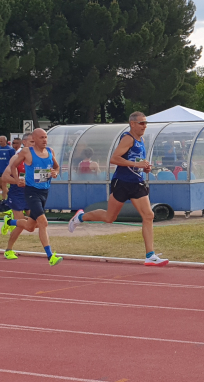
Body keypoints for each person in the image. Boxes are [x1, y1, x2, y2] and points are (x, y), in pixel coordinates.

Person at [68, 111, 168, 266]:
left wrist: (144, 167)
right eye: (141, 123)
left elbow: (135, 160)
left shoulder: (141, 140)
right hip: (121, 182)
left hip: (136, 182)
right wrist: (136, 164)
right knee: (110, 217)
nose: (144, 126)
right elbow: (114, 159)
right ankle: (80, 217)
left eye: (146, 123)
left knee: (148, 215)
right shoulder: (128, 138)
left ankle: (150, 255)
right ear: (132, 124)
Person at [1, 128, 62, 266]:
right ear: (33, 140)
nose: (44, 140)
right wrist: (17, 180)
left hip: (44, 192)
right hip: (31, 192)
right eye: (41, 137)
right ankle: (50, 256)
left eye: (46, 137)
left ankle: (9, 222)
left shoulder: (50, 152)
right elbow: (13, 167)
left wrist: (55, 173)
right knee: (43, 222)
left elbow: (57, 167)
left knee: (30, 226)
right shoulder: (26, 152)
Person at [0, 133, 31, 260]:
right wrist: (17, 181)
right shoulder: (16, 158)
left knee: (33, 224)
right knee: (22, 224)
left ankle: (8, 221)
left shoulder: (37, 158)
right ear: (24, 142)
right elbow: (4, 177)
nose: (35, 144)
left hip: (30, 193)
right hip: (17, 193)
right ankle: (8, 249)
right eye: (32, 142)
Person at [0, 135, 15, 207]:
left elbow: (14, 159)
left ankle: (4, 200)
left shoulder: (10, 150)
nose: (0, 142)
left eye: (1, 141)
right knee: (1, 185)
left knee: (4, 185)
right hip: (0, 170)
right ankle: (10, 195)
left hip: (7, 170)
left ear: (5, 141)